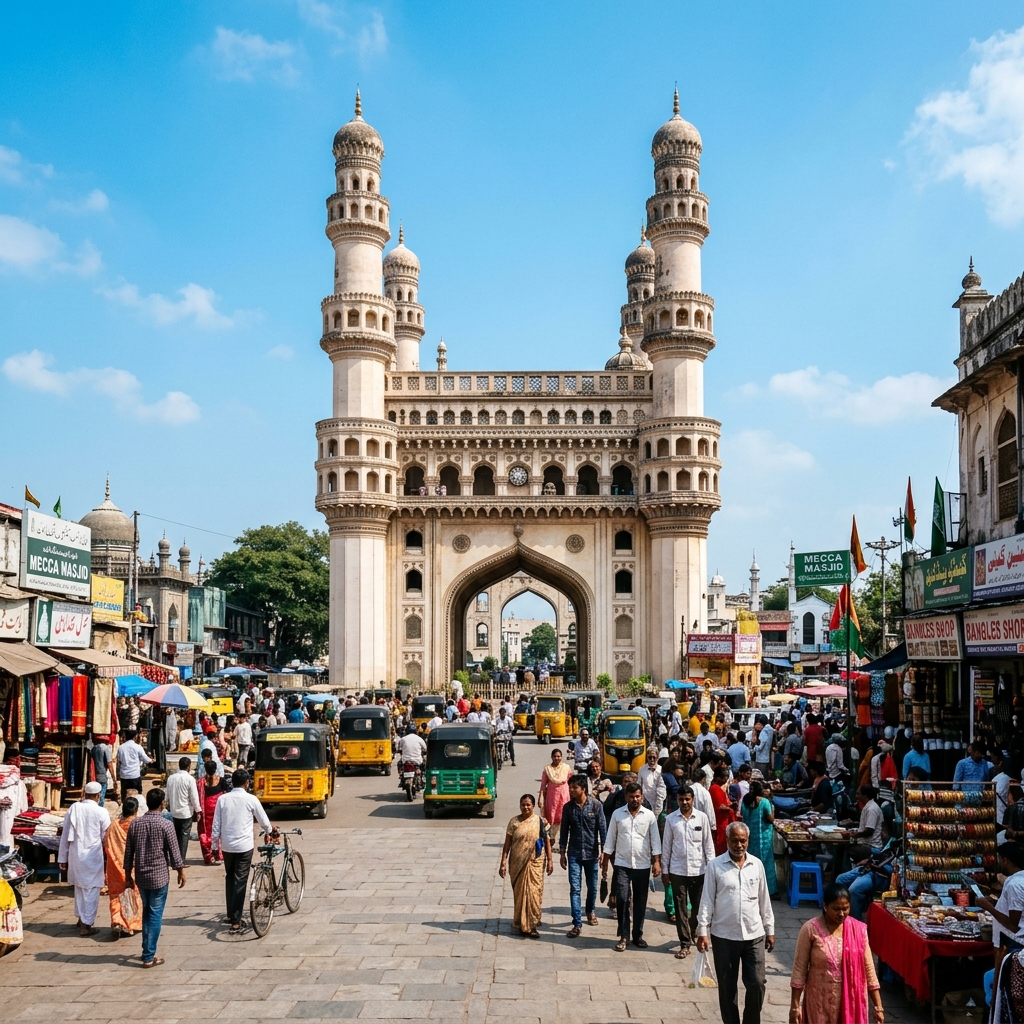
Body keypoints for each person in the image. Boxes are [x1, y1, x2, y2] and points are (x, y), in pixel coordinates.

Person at [697, 821, 776, 1024]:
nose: (739, 845)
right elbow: (707, 900)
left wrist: (770, 928)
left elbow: (764, 899)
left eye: (742, 841)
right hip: (724, 936)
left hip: (754, 935)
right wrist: (702, 930)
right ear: (727, 840)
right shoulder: (715, 866)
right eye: (734, 841)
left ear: (748, 840)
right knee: (727, 988)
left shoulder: (756, 865)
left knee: (757, 983)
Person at [789, 882, 883, 1024]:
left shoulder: (859, 931)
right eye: (836, 909)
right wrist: (795, 1007)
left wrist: (878, 1007)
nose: (841, 914)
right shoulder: (810, 929)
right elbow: (799, 970)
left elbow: (869, 970)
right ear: (825, 906)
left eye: (846, 909)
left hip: (851, 1004)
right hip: (819, 1003)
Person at [123, 787, 186, 967]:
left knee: (147, 912)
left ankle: (147, 950)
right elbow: (175, 852)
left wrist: (128, 875)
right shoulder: (166, 824)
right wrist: (180, 871)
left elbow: (129, 853)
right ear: (162, 803)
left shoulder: (136, 824)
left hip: (141, 875)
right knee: (155, 914)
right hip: (159, 876)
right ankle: (148, 955)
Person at [211, 768, 276, 933]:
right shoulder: (251, 799)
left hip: (227, 846)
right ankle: (236, 920)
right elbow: (263, 820)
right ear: (247, 783)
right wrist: (270, 831)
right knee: (240, 881)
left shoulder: (222, 799)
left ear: (232, 782)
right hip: (244, 847)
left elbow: (216, 824)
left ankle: (230, 913)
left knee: (230, 877)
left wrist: (214, 846)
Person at [602, 781, 662, 952]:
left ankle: (637, 935)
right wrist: (605, 860)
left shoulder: (649, 816)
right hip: (622, 864)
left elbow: (655, 840)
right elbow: (610, 838)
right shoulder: (618, 815)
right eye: (631, 796)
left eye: (637, 796)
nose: (635, 799)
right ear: (626, 797)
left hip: (642, 865)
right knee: (622, 899)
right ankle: (624, 936)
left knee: (640, 902)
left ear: (642, 797)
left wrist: (656, 861)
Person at [662, 785, 715, 959]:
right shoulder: (671, 819)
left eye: (687, 799)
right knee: (680, 909)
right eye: (681, 799)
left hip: (699, 870)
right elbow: (667, 846)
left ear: (693, 800)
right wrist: (665, 870)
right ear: (677, 800)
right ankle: (684, 943)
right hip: (677, 870)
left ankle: (693, 930)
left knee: (698, 908)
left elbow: (708, 846)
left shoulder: (702, 818)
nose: (684, 802)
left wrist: (712, 869)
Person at [58, 781, 110, 936]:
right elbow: (106, 836)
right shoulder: (102, 812)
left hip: (75, 854)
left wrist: (62, 858)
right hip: (93, 855)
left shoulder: (74, 808)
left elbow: (65, 835)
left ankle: (82, 918)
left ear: (84, 794)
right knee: (92, 889)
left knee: (80, 888)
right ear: (98, 795)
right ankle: (86, 925)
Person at [498, 793, 552, 938]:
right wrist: (503, 862)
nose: (525, 807)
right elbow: (507, 844)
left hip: (535, 862)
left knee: (534, 893)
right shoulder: (514, 822)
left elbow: (547, 841)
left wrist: (550, 860)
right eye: (523, 805)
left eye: (528, 805)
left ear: (533, 806)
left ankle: (532, 925)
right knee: (520, 894)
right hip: (517, 863)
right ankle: (522, 924)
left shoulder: (541, 821)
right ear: (520, 806)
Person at [559, 774, 607, 937]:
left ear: (583, 789)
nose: (571, 790)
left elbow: (602, 829)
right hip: (574, 853)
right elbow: (564, 830)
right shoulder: (568, 808)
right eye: (570, 788)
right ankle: (577, 923)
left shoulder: (596, 805)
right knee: (575, 888)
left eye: (575, 788)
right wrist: (562, 852)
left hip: (592, 854)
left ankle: (590, 910)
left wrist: (604, 852)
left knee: (592, 887)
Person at [104, 796, 143, 939]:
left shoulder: (114, 825)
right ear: (136, 810)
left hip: (114, 867)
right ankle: (129, 924)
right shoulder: (137, 825)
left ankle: (117, 921)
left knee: (116, 896)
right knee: (132, 895)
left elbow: (106, 844)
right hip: (132, 868)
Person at [740, 781, 777, 896]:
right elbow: (771, 819)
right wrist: (773, 810)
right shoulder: (765, 802)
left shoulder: (745, 801)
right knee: (766, 864)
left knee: (750, 863)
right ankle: (769, 891)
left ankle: (750, 888)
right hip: (763, 839)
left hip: (749, 837)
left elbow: (742, 814)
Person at [165, 756, 201, 863]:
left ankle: (174, 858)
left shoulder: (171, 778)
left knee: (175, 836)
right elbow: (194, 797)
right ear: (188, 767)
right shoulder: (190, 779)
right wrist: (198, 810)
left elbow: (167, 795)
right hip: (186, 813)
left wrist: (167, 805)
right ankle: (181, 860)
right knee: (184, 836)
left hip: (174, 811)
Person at [539, 749, 572, 847]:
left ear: (561, 757)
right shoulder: (547, 769)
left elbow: (571, 782)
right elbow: (543, 785)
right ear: (552, 757)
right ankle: (551, 838)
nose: (557, 758)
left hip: (564, 796)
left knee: (564, 816)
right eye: (555, 756)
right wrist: (540, 797)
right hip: (552, 797)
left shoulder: (566, 768)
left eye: (559, 756)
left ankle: (564, 840)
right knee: (551, 816)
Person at [197, 759, 228, 864]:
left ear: (205, 769)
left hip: (205, 812)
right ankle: (218, 854)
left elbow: (196, 797)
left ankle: (209, 856)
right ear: (216, 769)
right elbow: (226, 795)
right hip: (218, 811)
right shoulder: (221, 780)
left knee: (205, 833)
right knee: (218, 831)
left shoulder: (200, 782)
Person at [116, 729, 151, 802]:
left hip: (124, 775)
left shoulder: (121, 747)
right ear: (135, 736)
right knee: (137, 796)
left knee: (124, 795)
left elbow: (119, 761)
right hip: (135, 775)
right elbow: (146, 759)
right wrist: (151, 760)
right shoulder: (138, 747)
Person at [710, 766, 737, 856]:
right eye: (725, 777)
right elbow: (720, 807)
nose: (726, 780)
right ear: (718, 778)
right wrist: (731, 807)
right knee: (721, 846)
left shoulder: (716, 788)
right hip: (721, 822)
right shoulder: (715, 788)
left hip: (722, 822)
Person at [851, 785, 884, 853]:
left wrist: (855, 835)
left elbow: (869, 831)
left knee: (848, 850)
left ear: (865, 796)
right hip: (867, 844)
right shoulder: (868, 807)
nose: (856, 796)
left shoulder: (871, 809)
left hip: (871, 846)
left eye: (858, 794)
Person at [638, 748, 667, 816]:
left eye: (654, 757)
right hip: (646, 801)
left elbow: (663, 787)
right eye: (650, 757)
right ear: (647, 757)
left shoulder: (661, 769)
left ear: (657, 757)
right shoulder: (642, 769)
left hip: (660, 800)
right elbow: (639, 785)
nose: (652, 759)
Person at [90, 739, 113, 807]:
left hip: (94, 776)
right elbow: (109, 764)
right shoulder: (105, 748)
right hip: (102, 776)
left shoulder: (93, 749)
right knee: (101, 797)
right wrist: (114, 779)